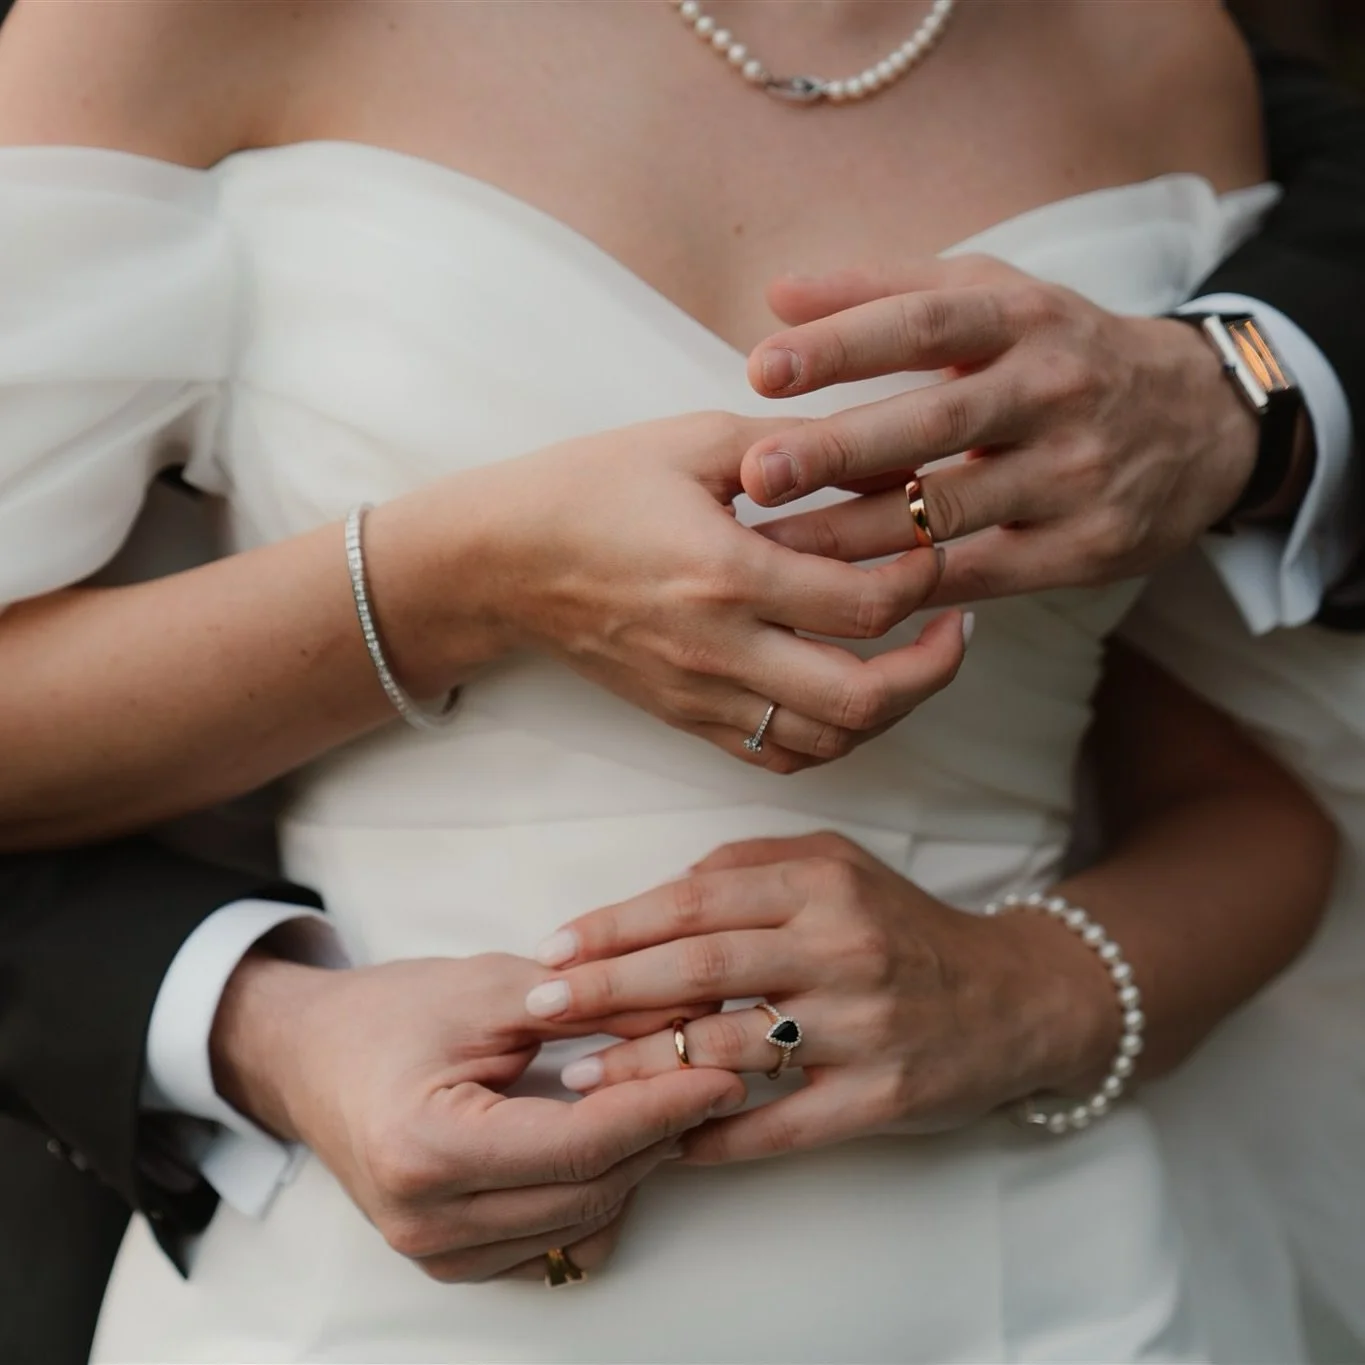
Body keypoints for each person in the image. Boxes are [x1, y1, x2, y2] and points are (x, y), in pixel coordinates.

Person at [0, 1, 1356, 1361]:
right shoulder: (184, 23)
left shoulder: (1153, 55)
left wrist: (1034, 989)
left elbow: (1252, 788)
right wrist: (455, 582)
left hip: (1056, 1292)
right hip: (392, 1289)